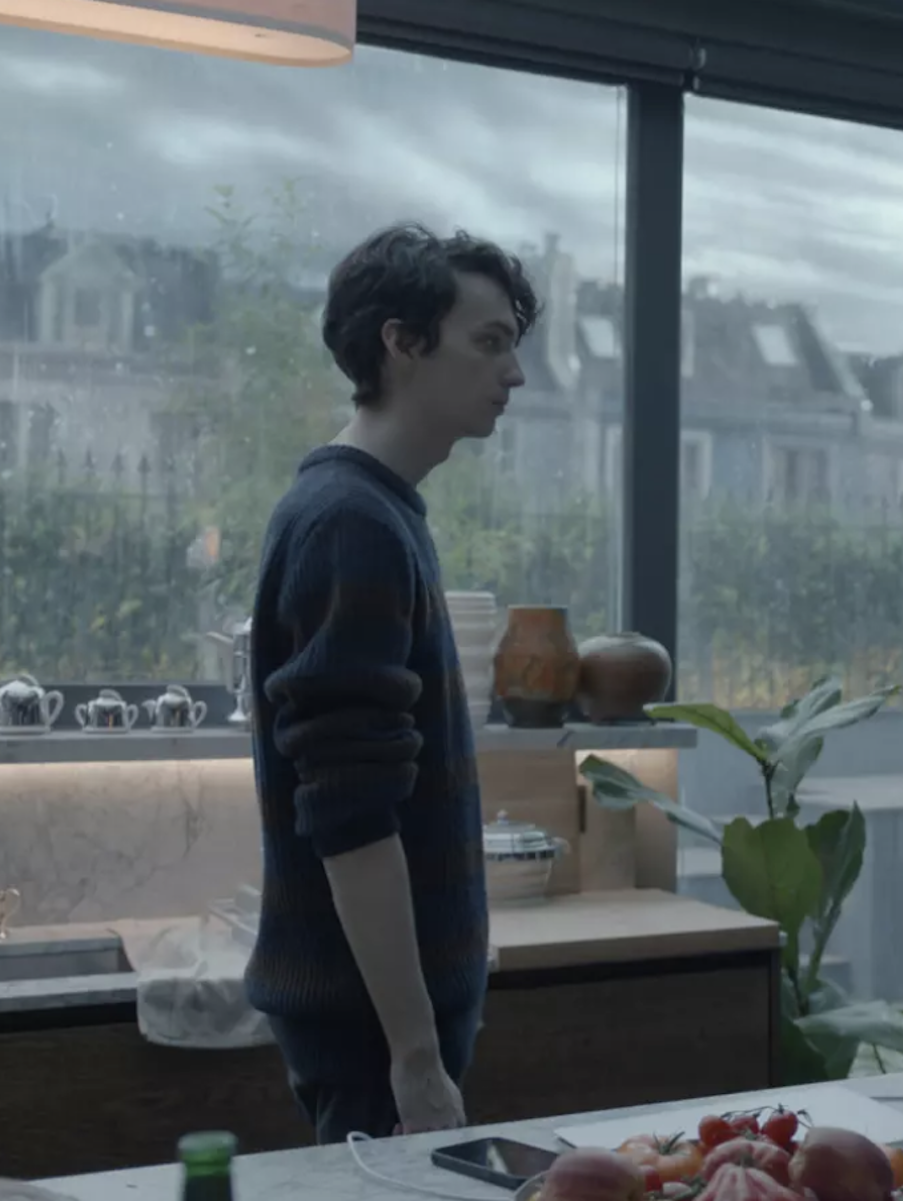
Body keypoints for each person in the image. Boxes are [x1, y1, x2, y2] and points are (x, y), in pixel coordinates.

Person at [245, 223, 538, 1143]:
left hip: (381, 1014)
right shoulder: (350, 523)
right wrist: (414, 1055)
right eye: (489, 342)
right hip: (373, 1028)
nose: (515, 374)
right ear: (401, 342)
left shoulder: (373, 511)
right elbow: (351, 815)